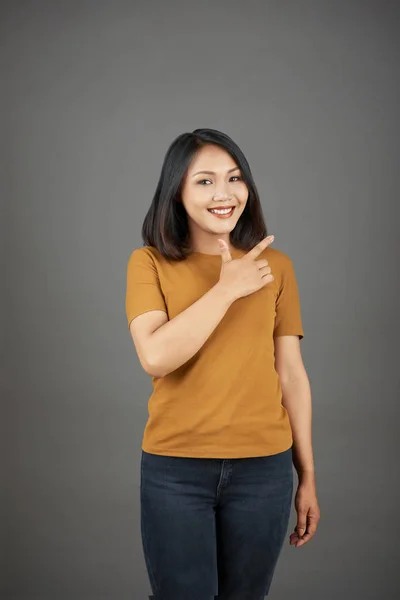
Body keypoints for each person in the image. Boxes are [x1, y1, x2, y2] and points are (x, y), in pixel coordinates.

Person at [125, 128, 320, 600]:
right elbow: (156, 355)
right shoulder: (148, 263)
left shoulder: (277, 267)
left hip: (264, 472)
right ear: (177, 190)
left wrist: (307, 475)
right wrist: (227, 288)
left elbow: (291, 373)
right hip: (176, 470)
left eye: (234, 179)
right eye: (205, 181)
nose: (224, 194)